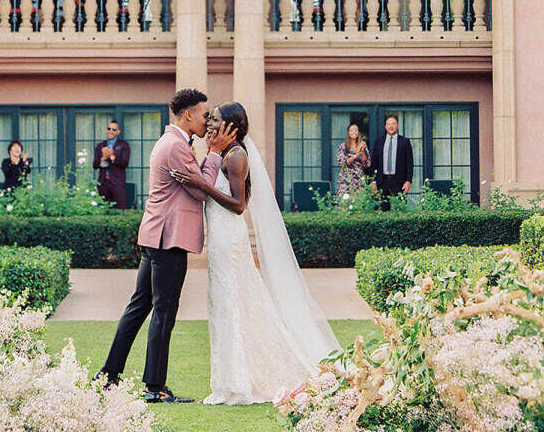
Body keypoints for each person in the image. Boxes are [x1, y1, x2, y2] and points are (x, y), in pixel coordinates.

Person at [174, 101, 340, 404]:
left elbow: (238, 206)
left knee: (231, 305)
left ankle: (237, 384)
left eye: (216, 120)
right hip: (220, 241)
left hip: (229, 239)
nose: (210, 124)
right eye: (209, 119)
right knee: (225, 306)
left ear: (231, 126)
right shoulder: (222, 153)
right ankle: (228, 380)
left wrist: (203, 185)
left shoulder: (236, 156)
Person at [96, 88, 237, 402]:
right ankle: (155, 388)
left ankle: (108, 375)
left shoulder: (174, 142)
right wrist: (214, 153)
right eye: (204, 115)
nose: (208, 122)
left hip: (159, 236)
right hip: (168, 239)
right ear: (188, 114)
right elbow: (202, 191)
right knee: (163, 312)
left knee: (139, 308)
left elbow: (194, 184)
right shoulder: (175, 145)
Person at [370, 115, 413, 210]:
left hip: (400, 181)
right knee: (383, 210)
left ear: (397, 126)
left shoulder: (405, 142)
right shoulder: (379, 141)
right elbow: (374, 163)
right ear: (385, 126)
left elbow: (409, 163)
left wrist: (408, 181)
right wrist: (373, 182)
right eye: (389, 124)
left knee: (401, 209)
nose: (391, 126)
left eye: (393, 123)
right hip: (382, 181)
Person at [94, 119, 131, 208]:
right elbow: (95, 165)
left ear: (118, 132)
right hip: (103, 182)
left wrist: (112, 156)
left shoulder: (123, 145)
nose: (111, 131)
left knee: (120, 208)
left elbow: (125, 163)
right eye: (109, 128)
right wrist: (103, 159)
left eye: (114, 129)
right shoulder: (101, 145)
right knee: (103, 208)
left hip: (117, 182)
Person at [336, 124, 369, 197]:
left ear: (358, 133)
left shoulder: (362, 145)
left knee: (359, 203)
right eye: (351, 130)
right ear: (348, 132)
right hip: (346, 179)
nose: (354, 132)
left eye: (356, 130)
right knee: (345, 204)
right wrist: (355, 155)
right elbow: (341, 163)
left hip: (358, 179)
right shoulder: (343, 146)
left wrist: (363, 150)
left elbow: (366, 164)